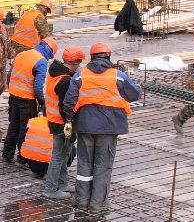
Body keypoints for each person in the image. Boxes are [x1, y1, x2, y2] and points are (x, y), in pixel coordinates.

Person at [61, 42, 142, 213]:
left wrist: (69, 119)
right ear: (109, 57)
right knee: (102, 165)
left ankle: (82, 201)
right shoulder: (118, 76)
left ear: (91, 57)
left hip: (85, 125)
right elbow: (135, 94)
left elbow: (69, 101)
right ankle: (97, 204)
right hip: (109, 127)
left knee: (84, 164)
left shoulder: (80, 75)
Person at [2, 36, 57, 164]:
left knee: (13, 126)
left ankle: (7, 154)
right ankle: (22, 158)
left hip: (14, 97)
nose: (50, 58)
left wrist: (13, 90)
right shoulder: (41, 61)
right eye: (51, 54)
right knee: (24, 129)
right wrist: (42, 102)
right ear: (48, 49)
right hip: (27, 101)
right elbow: (38, 87)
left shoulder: (21, 54)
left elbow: (9, 76)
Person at [43, 46, 83, 198]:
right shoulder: (66, 81)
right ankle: (50, 189)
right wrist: (70, 121)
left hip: (54, 120)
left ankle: (62, 183)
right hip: (61, 123)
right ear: (76, 62)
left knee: (63, 154)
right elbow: (66, 105)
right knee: (59, 156)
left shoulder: (55, 74)